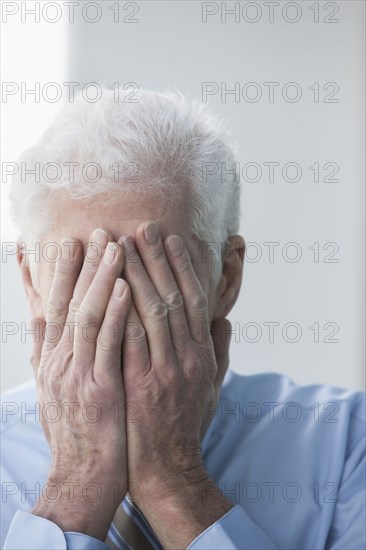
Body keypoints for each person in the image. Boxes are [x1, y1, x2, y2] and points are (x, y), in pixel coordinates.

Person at [1, 89, 365, 549]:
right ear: (32, 282)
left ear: (226, 277)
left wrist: (175, 482)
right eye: (84, 270)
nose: (118, 309)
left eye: (152, 271)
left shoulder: (348, 443)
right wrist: (76, 487)